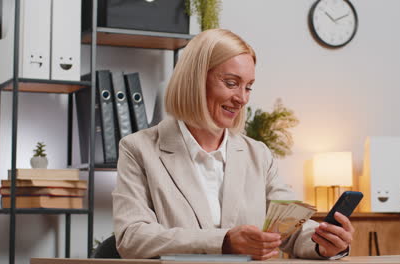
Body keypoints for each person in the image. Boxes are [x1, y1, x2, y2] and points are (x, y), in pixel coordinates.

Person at [112, 28, 354, 260]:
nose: (242, 98)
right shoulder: (138, 149)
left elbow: (290, 227)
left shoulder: (257, 154)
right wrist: (224, 242)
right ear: (195, 80)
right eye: (231, 83)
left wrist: (323, 243)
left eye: (248, 87)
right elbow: (132, 237)